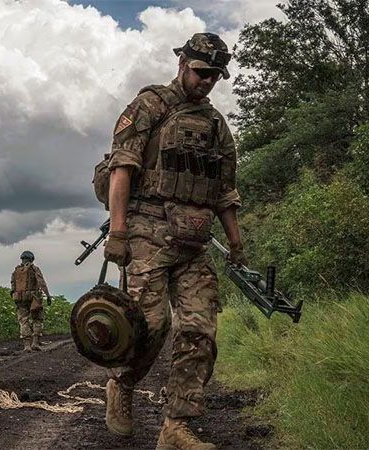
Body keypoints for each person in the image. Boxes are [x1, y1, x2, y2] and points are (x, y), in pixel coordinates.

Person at [101, 33, 248, 450]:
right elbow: (121, 169)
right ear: (182, 62)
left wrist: (236, 243)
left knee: (200, 330)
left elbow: (225, 193)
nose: (207, 82)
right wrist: (118, 231)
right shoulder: (149, 106)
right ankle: (122, 384)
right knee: (151, 326)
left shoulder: (217, 126)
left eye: (215, 76)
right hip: (146, 231)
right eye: (201, 72)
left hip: (194, 241)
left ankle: (176, 427)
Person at [10, 250, 51, 352]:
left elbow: (12, 286)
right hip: (33, 298)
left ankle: (27, 346)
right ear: (32, 259)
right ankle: (35, 343)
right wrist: (48, 295)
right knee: (37, 319)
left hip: (20, 299)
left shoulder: (16, 271)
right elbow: (41, 282)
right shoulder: (34, 269)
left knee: (23, 321)